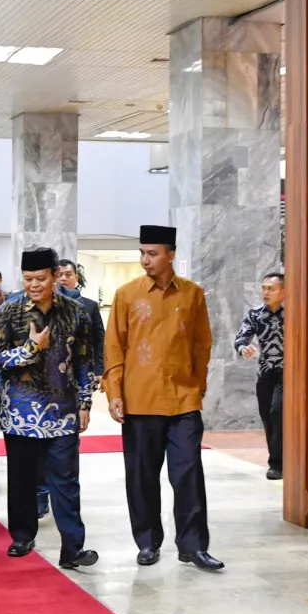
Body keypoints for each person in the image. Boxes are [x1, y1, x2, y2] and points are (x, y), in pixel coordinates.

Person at [104, 225, 223, 572]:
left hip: (183, 400)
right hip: (139, 401)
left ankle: (193, 546)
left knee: (188, 474)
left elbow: (203, 342)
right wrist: (115, 392)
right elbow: (114, 346)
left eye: (152, 253)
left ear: (170, 255)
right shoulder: (127, 294)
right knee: (141, 477)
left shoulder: (192, 294)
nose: (145, 260)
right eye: (142, 253)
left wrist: (198, 384)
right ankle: (147, 542)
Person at [0, 247, 100, 569]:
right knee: (22, 478)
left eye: (41, 278)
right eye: (28, 279)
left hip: (63, 411)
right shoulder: (9, 310)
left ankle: (72, 547)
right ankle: (22, 536)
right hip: (19, 412)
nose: (34, 285)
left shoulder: (75, 312)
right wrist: (29, 348)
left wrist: (84, 403)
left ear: (55, 276)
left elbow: (83, 360)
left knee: (65, 481)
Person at [49, 258, 105, 517]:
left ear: (76, 278)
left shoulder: (89, 307)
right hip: (45, 386)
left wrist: (99, 371)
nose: (62, 279)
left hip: (74, 381)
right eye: (58, 274)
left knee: (65, 449)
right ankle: (41, 497)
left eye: (67, 274)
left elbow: (97, 341)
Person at [234, 272, 285, 480]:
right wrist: (243, 347)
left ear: (284, 291)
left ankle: (277, 464)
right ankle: (277, 459)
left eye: (270, 289)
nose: (265, 292)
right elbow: (241, 337)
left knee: (277, 410)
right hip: (265, 372)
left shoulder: (295, 313)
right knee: (267, 417)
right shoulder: (255, 314)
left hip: (287, 372)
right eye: (263, 288)